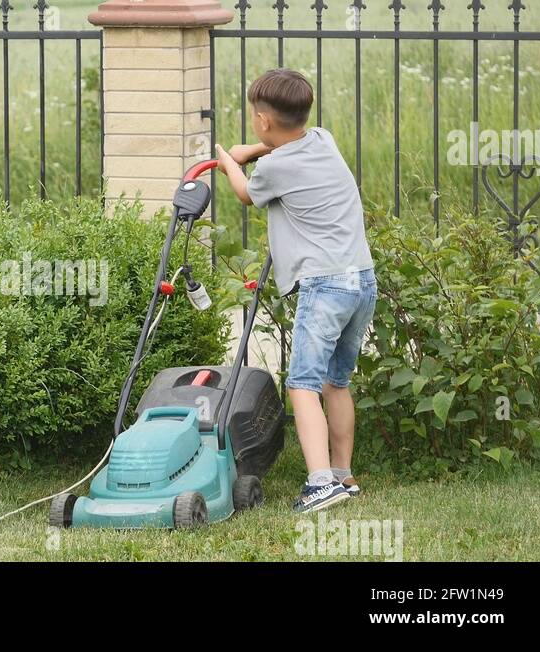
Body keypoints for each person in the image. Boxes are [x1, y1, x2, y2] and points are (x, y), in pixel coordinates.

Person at [213, 68, 377, 513]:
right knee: (335, 382)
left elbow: (246, 193)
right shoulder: (322, 139)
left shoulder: (272, 170)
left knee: (302, 384)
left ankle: (320, 483)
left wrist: (229, 161)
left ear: (264, 120)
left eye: (254, 116)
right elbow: (277, 148)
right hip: (361, 279)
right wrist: (253, 148)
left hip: (324, 287)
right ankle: (343, 474)